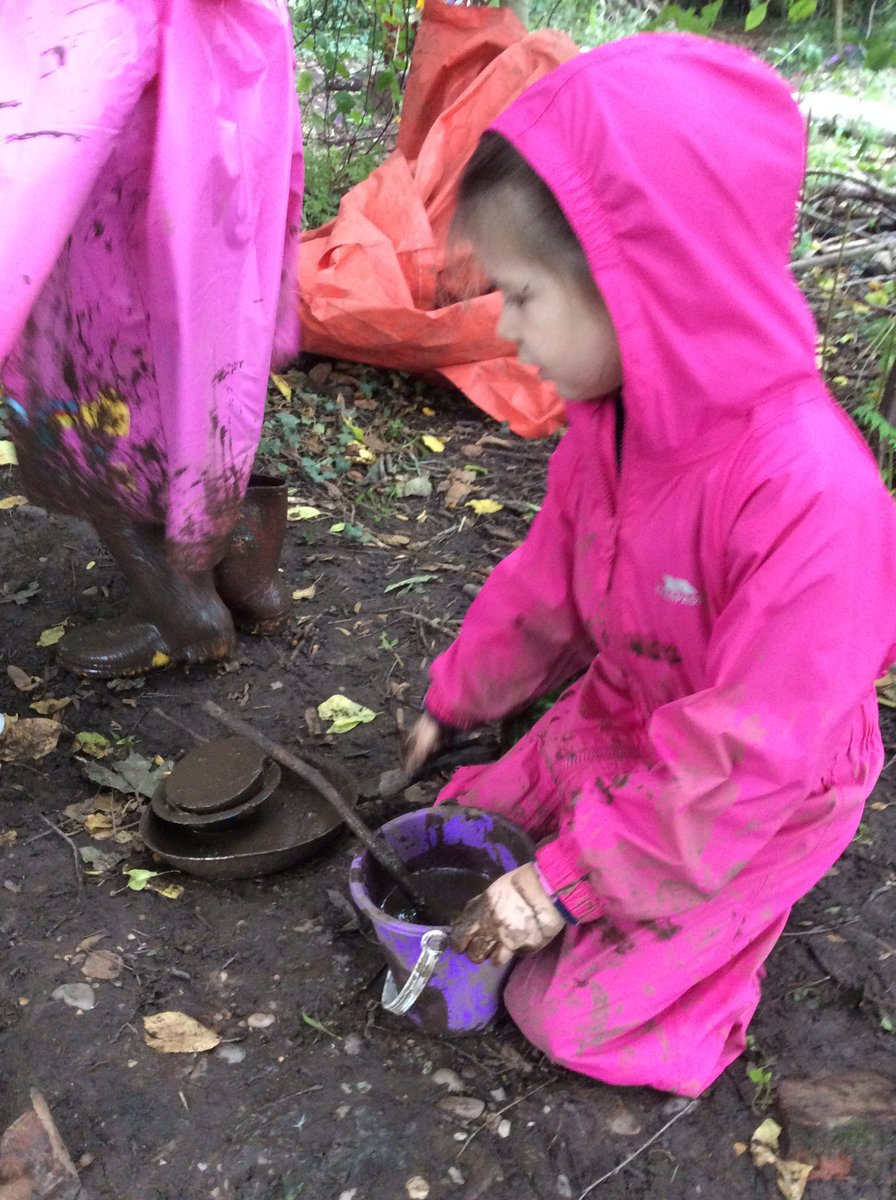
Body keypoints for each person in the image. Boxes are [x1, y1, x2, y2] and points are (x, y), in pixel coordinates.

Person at [402, 32, 896, 1097]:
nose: (504, 329)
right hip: (631, 710)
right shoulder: (610, 426)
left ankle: (732, 936)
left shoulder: (812, 496)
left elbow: (754, 752)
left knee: (564, 1013)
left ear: (644, 285)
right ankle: (607, 859)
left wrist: (568, 882)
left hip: (760, 786)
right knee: (470, 824)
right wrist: (453, 699)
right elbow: (544, 584)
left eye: (523, 295)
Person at [0, 0, 303, 678]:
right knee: (203, 351)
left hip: (110, 116)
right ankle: (243, 560)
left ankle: (182, 609)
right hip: (222, 82)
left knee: (100, 381)